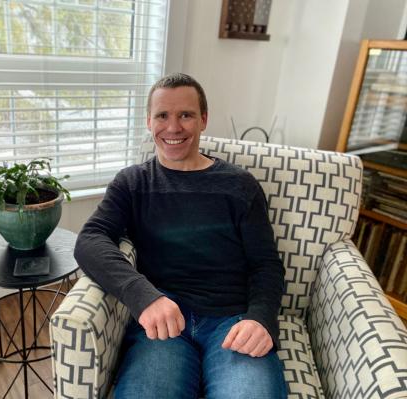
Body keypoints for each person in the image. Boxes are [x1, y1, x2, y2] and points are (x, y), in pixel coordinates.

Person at [74, 73, 287, 399]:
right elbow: (90, 240)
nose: (173, 128)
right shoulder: (132, 183)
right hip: (163, 326)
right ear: (149, 121)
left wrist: (261, 319)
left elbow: (266, 265)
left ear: (203, 119)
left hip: (233, 322)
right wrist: (144, 297)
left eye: (185, 115)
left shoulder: (240, 185)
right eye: (162, 115)